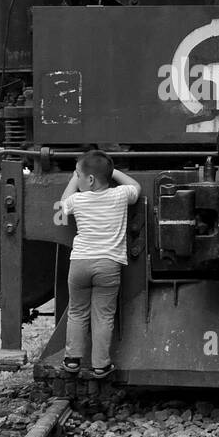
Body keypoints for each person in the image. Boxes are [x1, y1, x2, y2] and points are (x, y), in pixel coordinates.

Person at [59, 150, 140, 379]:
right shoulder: (120, 195)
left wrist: (74, 178)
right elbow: (135, 186)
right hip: (108, 264)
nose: (77, 178)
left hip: (80, 264)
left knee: (77, 311)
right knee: (103, 315)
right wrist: (112, 171)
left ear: (90, 180)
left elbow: (63, 202)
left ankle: (72, 359)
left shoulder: (78, 199)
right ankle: (100, 365)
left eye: (79, 175)